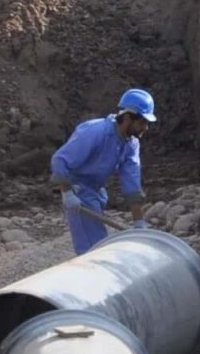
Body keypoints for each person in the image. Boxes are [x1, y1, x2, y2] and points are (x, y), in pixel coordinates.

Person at [51, 90, 156, 253]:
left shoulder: (131, 143)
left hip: (96, 190)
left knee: (98, 244)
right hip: (78, 191)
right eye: (142, 122)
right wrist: (67, 193)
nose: (146, 128)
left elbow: (132, 183)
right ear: (128, 118)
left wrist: (139, 222)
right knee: (93, 249)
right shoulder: (95, 132)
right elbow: (60, 160)